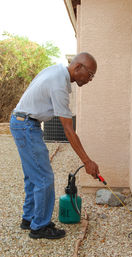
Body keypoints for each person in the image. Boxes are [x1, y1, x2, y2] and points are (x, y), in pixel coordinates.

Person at [10, 52, 100, 240]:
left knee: (33, 176)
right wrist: (87, 161)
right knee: (44, 178)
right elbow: (68, 130)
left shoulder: (56, 72)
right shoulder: (59, 84)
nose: (91, 80)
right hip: (26, 125)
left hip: (23, 122)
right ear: (77, 68)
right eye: (90, 75)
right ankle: (40, 227)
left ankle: (30, 218)